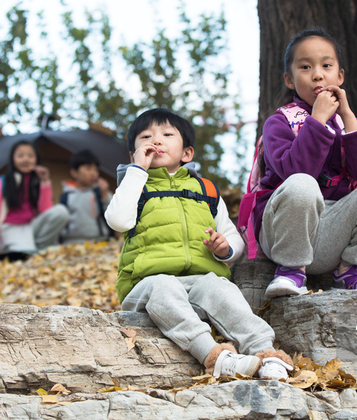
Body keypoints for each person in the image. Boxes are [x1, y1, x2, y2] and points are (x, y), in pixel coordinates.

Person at [105, 107, 294, 380]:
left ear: (186, 154)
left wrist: (224, 249)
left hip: (198, 282)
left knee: (221, 289)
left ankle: (266, 353)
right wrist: (137, 172)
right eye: (146, 136)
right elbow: (118, 221)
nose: (156, 140)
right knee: (164, 285)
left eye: (167, 134)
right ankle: (214, 356)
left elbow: (232, 237)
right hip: (146, 287)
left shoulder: (204, 190)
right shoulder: (135, 187)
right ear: (134, 155)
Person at [256, 28, 357, 298]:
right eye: (305, 67)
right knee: (302, 184)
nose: (317, 74)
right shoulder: (279, 123)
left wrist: (347, 117)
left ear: (340, 76)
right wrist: (317, 122)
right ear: (290, 80)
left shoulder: (353, 124)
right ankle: (290, 271)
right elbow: (296, 172)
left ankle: (351, 270)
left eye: (326, 65)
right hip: (285, 232)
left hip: (330, 236)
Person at [0, 141, 68, 260]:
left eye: (30, 156)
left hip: (31, 226)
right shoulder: (3, 182)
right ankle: (25, 249)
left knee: (61, 211)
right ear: (12, 159)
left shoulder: (37, 180)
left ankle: (36, 249)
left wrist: (45, 182)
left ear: (36, 159)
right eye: (20, 156)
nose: (25, 159)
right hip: (11, 228)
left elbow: (45, 211)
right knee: (26, 257)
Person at [59, 149, 113, 243]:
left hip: (99, 241)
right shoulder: (66, 196)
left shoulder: (99, 192)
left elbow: (114, 212)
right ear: (74, 172)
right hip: (71, 243)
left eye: (96, 170)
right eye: (88, 168)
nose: (93, 173)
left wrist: (105, 194)